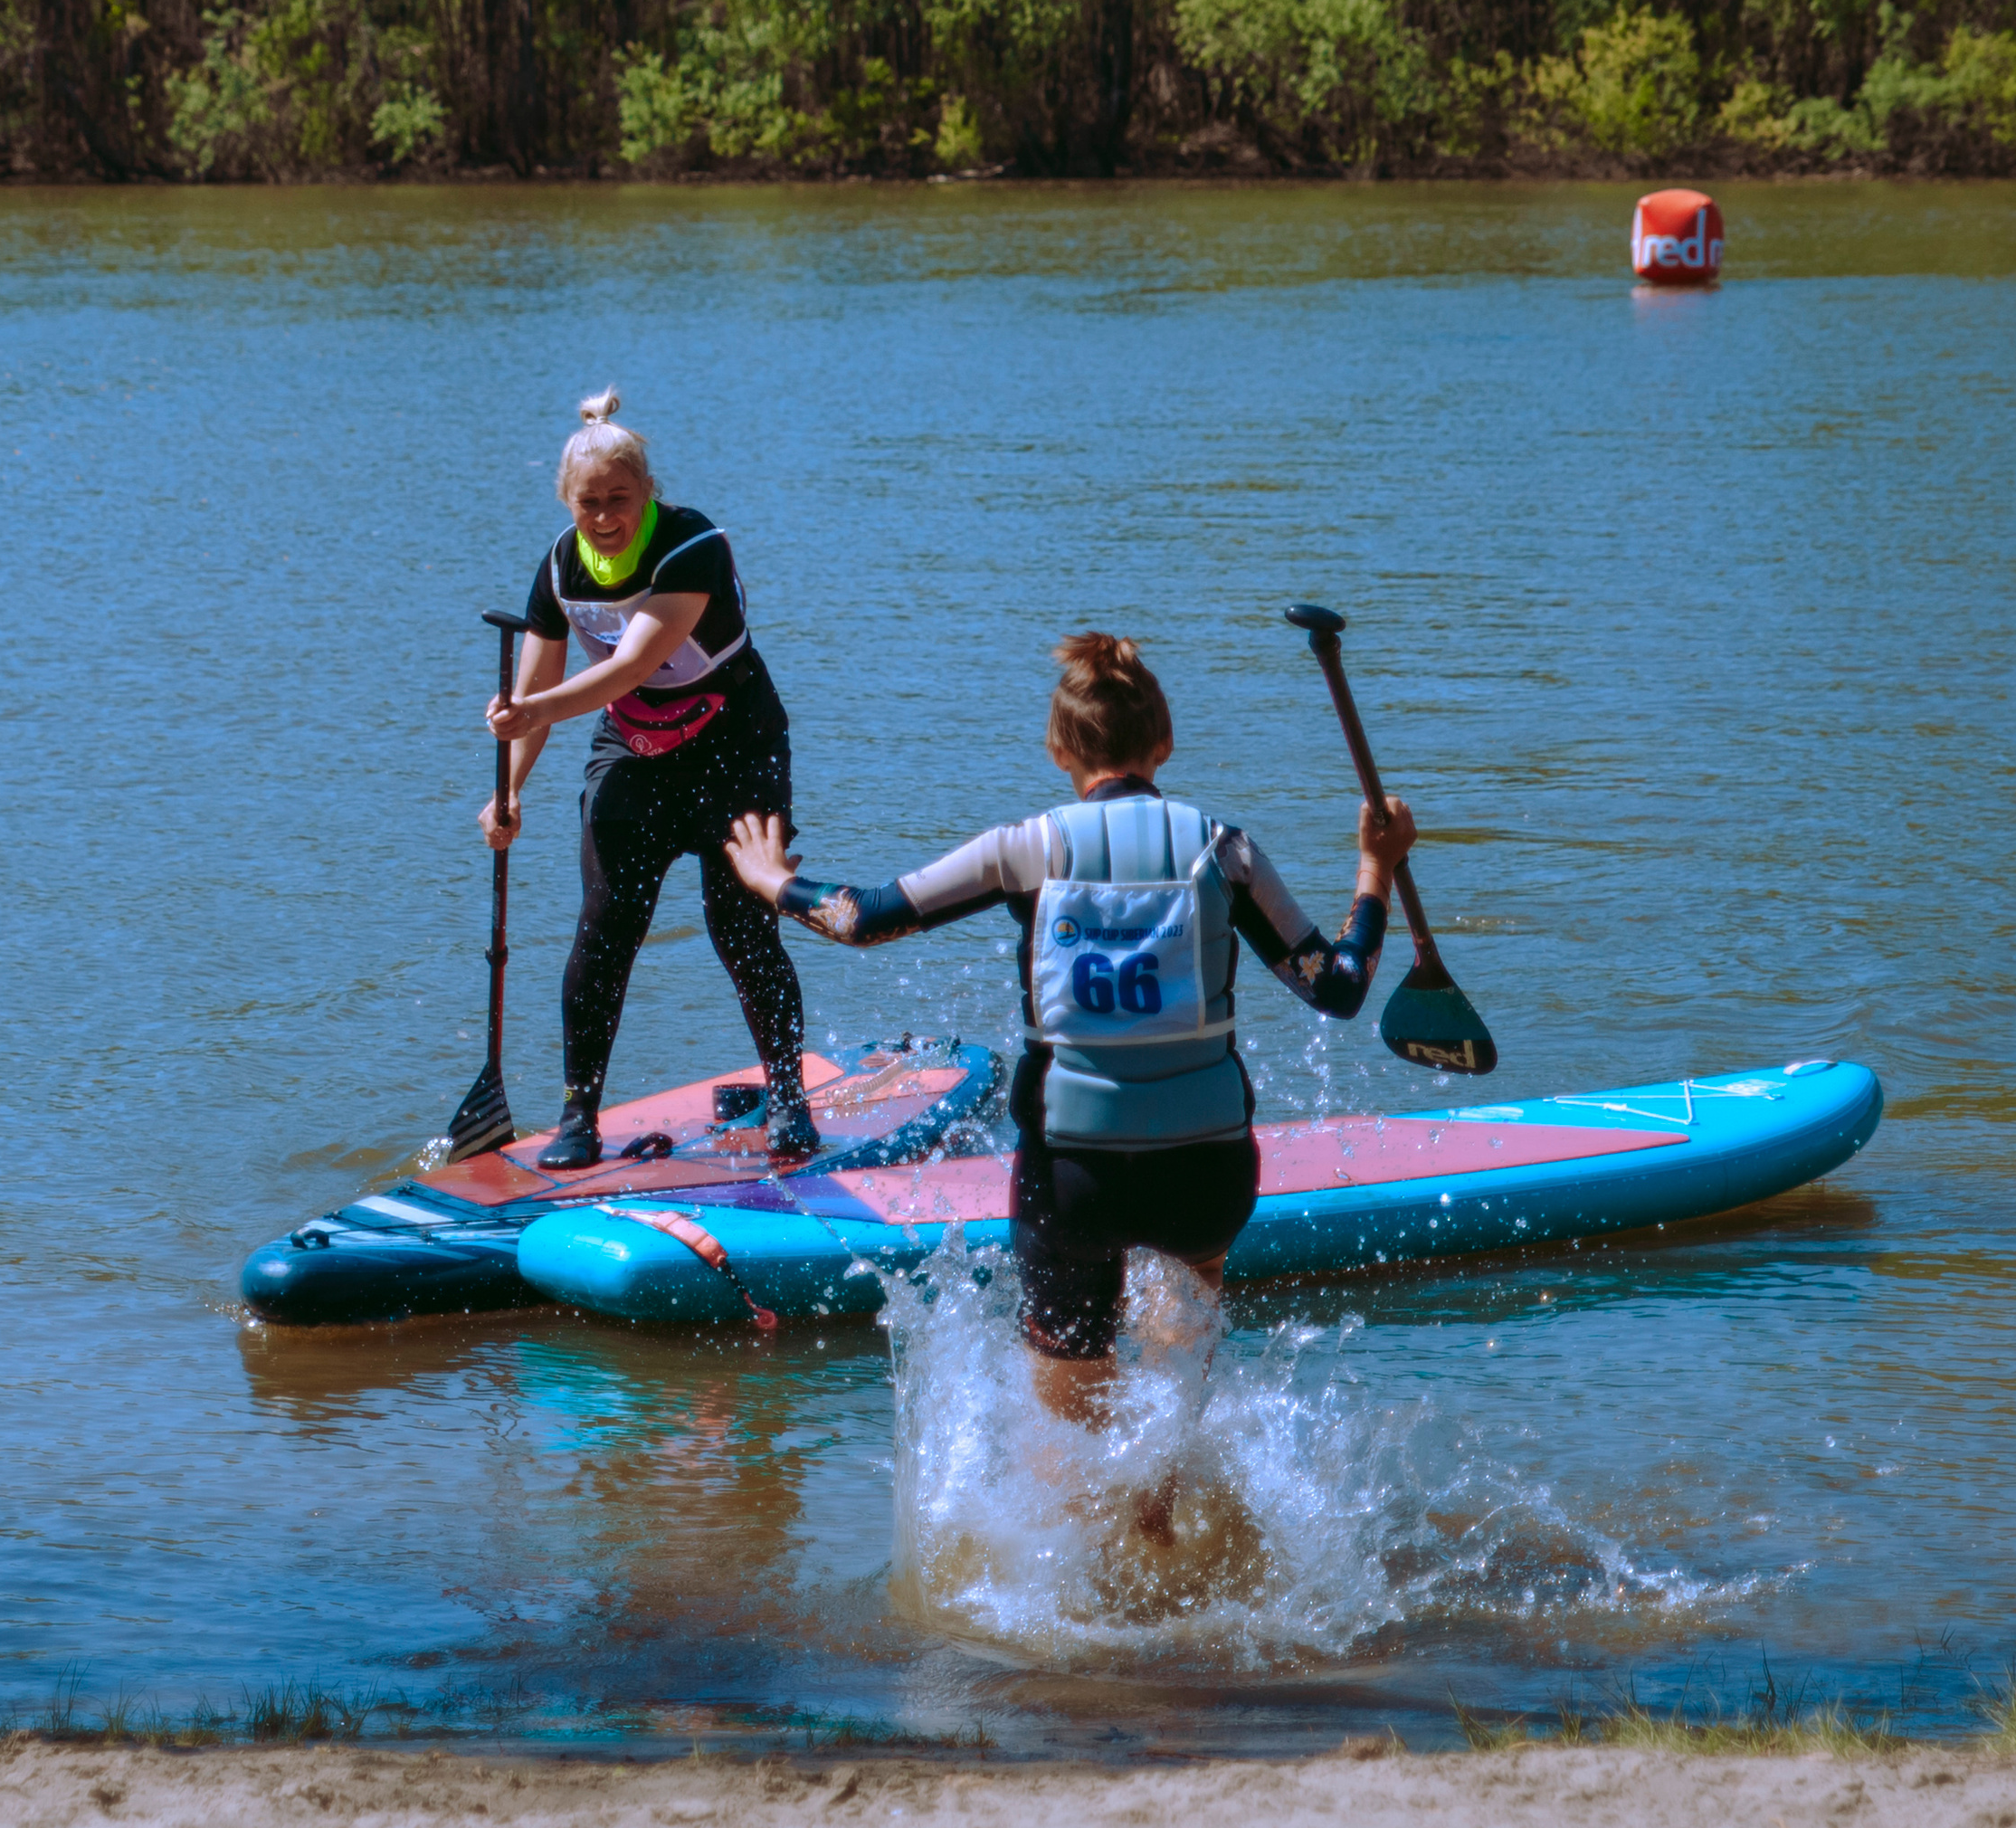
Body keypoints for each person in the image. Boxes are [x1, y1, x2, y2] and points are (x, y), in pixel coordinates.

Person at [724, 631, 1413, 1419]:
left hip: (1072, 1180)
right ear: (1165, 742)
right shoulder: (1225, 851)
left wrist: (774, 880)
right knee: (1176, 1374)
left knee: (1068, 1422)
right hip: (1206, 1173)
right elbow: (1339, 987)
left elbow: (863, 918)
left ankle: (1079, 1517)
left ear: (1059, 749)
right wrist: (1375, 868)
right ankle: (1161, 1505)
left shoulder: (1028, 848)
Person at [482, 391, 815, 1166]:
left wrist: (524, 709)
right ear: (569, 503)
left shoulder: (692, 546)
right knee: (604, 931)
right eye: (589, 502)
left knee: (740, 926)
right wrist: (508, 791)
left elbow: (627, 666)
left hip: (736, 750)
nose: (603, 516)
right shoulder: (560, 565)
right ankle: (577, 1117)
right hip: (632, 748)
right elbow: (541, 685)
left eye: (619, 499)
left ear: (649, 494)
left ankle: (791, 1099)